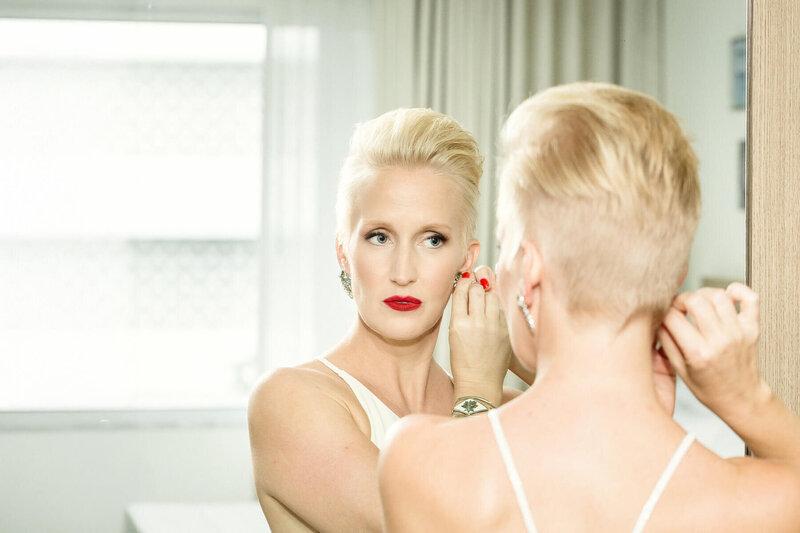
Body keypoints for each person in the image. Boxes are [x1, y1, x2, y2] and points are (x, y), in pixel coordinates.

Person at [378, 83, 800, 532]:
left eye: (505, 246)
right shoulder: (760, 501)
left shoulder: (415, 459)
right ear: (676, 275)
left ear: (531, 268)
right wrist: (746, 399)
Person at [248, 108, 528, 532]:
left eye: (432, 240)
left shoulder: (507, 406)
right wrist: (475, 395)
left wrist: (522, 354)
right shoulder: (290, 401)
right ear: (344, 252)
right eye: (379, 236)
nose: (402, 271)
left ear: (465, 262)